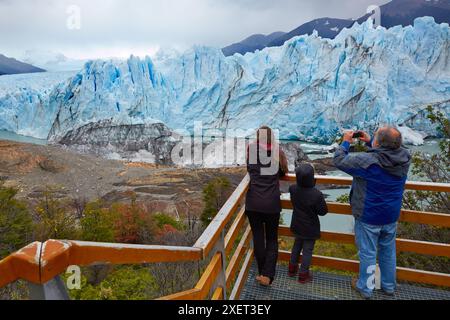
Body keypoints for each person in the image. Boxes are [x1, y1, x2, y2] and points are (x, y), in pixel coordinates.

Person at [333, 127, 412, 299]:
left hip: (369, 215)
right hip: (390, 215)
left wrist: (346, 141)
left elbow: (339, 160)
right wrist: (371, 142)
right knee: (388, 251)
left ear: (379, 143)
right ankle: (389, 286)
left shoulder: (367, 161)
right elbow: (387, 154)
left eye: (375, 137)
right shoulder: (405, 158)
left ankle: (366, 288)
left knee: (368, 253)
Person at [246, 126, 289, 287]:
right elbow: (284, 171)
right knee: (271, 239)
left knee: (258, 237)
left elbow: (250, 169)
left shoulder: (251, 149)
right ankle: (268, 275)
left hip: (253, 202)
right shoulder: (277, 151)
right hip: (271, 202)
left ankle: (261, 272)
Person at [288, 164, 328, 283]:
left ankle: (291, 270)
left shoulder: (292, 189)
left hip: (297, 224)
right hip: (310, 228)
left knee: (296, 246)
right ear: (311, 178)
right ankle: (303, 275)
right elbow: (323, 212)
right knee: (307, 251)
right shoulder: (316, 194)